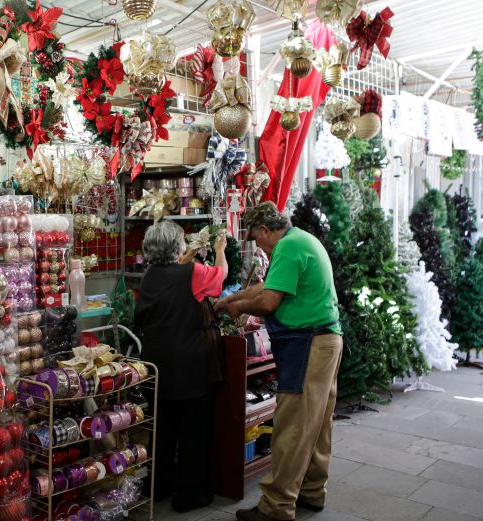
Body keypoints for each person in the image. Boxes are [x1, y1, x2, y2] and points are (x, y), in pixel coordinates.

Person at [215, 202, 342, 521]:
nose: (259, 246)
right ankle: (311, 492)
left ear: (264, 230)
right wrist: (231, 299)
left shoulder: (287, 246)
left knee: (293, 426)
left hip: (309, 344)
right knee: (317, 425)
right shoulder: (301, 239)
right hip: (326, 341)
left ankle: (276, 506)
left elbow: (269, 301)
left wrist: (239, 308)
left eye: (257, 239)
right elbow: (268, 286)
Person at [134, 220, 227, 513]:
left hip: (156, 362)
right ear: (177, 247)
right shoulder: (193, 273)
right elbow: (220, 277)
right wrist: (220, 249)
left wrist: (188, 257)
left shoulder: (149, 275)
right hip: (189, 363)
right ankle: (190, 493)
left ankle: (158, 485)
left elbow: (174, 275)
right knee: (193, 429)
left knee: (162, 426)